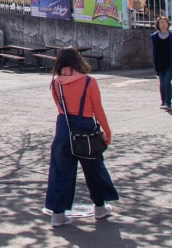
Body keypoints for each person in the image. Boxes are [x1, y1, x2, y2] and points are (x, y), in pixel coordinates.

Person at [45, 48, 118, 227]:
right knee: (95, 169)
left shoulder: (56, 84)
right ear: (78, 60)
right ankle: (100, 207)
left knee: (60, 171)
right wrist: (107, 132)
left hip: (63, 127)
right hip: (86, 128)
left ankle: (58, 214)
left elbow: (59, 107)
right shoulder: (89, 82)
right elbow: (98, 110)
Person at [151, 15, 172, 110]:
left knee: (167, 81)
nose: (163, 24)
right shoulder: (154, 37)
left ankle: (168, 103)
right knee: (162, 83)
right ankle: (163, 101)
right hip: (160, 62)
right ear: (158, 25)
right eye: (161, 22)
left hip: (170, 62)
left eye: (165, 22)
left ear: (168, 24)